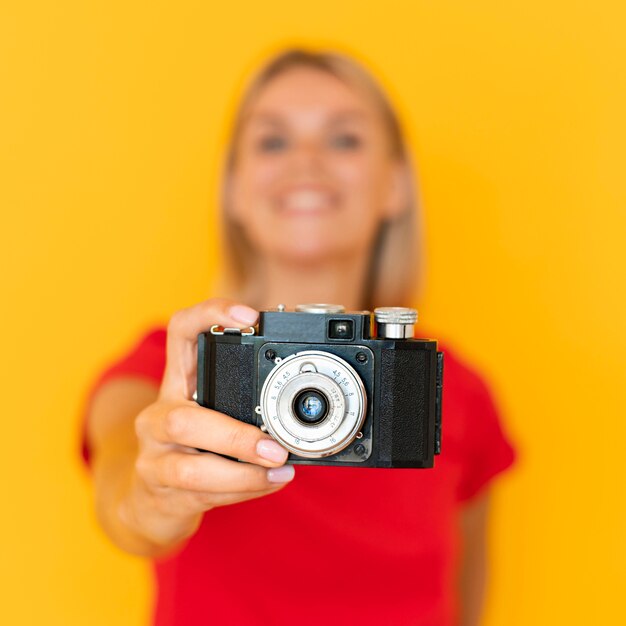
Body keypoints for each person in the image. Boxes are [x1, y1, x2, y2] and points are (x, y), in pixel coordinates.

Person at [82, 48, 516, 626]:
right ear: (234, 189)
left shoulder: (451, 386)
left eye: (343, 140)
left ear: (394, 184)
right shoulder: (174, 368)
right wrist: (155, 496)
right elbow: (123, 491)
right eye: (272, 141)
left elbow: (465, 597)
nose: (306, 162)